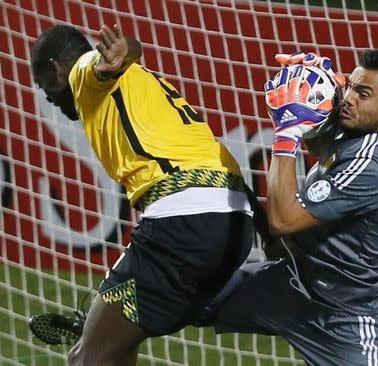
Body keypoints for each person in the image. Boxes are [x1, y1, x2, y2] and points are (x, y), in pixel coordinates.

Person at [30, 24, 257, 365]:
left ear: (56, 68)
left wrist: (118, 55)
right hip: (236, 224)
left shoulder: (83, 73)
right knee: (117, 348)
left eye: (43, 84)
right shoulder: (148, 82)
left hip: (183, 226)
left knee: (87, 359)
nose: (47, 95)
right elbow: (124, 55)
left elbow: (98, 66)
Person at [208, 49, 378, 366]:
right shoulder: (370, 122)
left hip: (347, 319)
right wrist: (318, 87)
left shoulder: (376, 166)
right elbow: (323, 143)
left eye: (363, 93)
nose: (348, 98)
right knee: (174, 296)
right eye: (350, 86)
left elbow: (282, 219)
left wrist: (287, 131)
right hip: (292, 283)